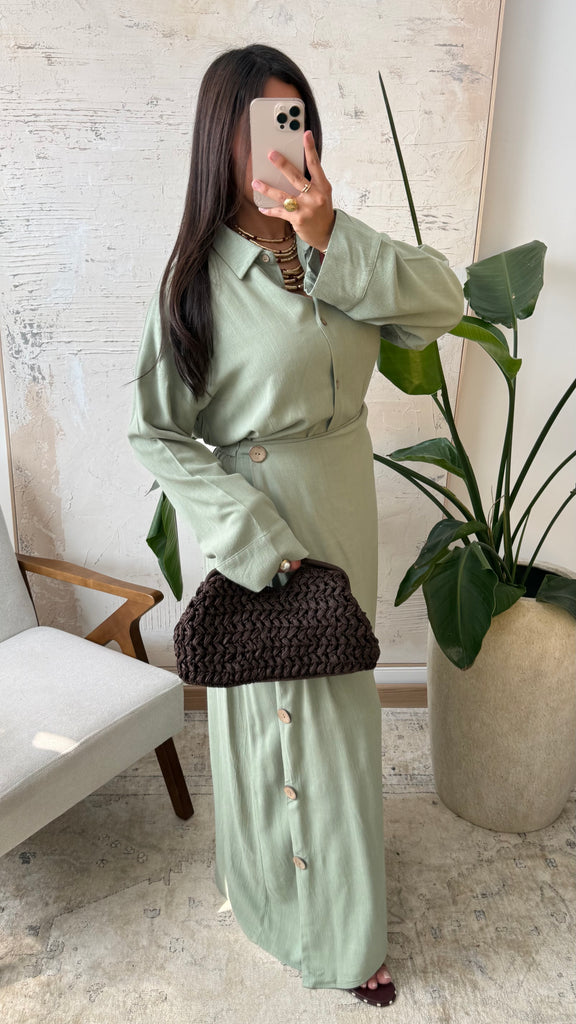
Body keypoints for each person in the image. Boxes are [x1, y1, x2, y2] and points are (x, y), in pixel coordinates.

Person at [128, 44, 463, 1007]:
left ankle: (338, 909)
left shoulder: (333, 249)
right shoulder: (193, 282)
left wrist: (330, 235)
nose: (284, 143)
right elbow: (156, 432)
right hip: (260, 527)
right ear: (221, 143)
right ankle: (317, 931)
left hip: (342, 511)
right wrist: (250, 538)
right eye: (262, 127)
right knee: (278, 727)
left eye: (297, 121)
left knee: (338, 724)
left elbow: (442, 303)